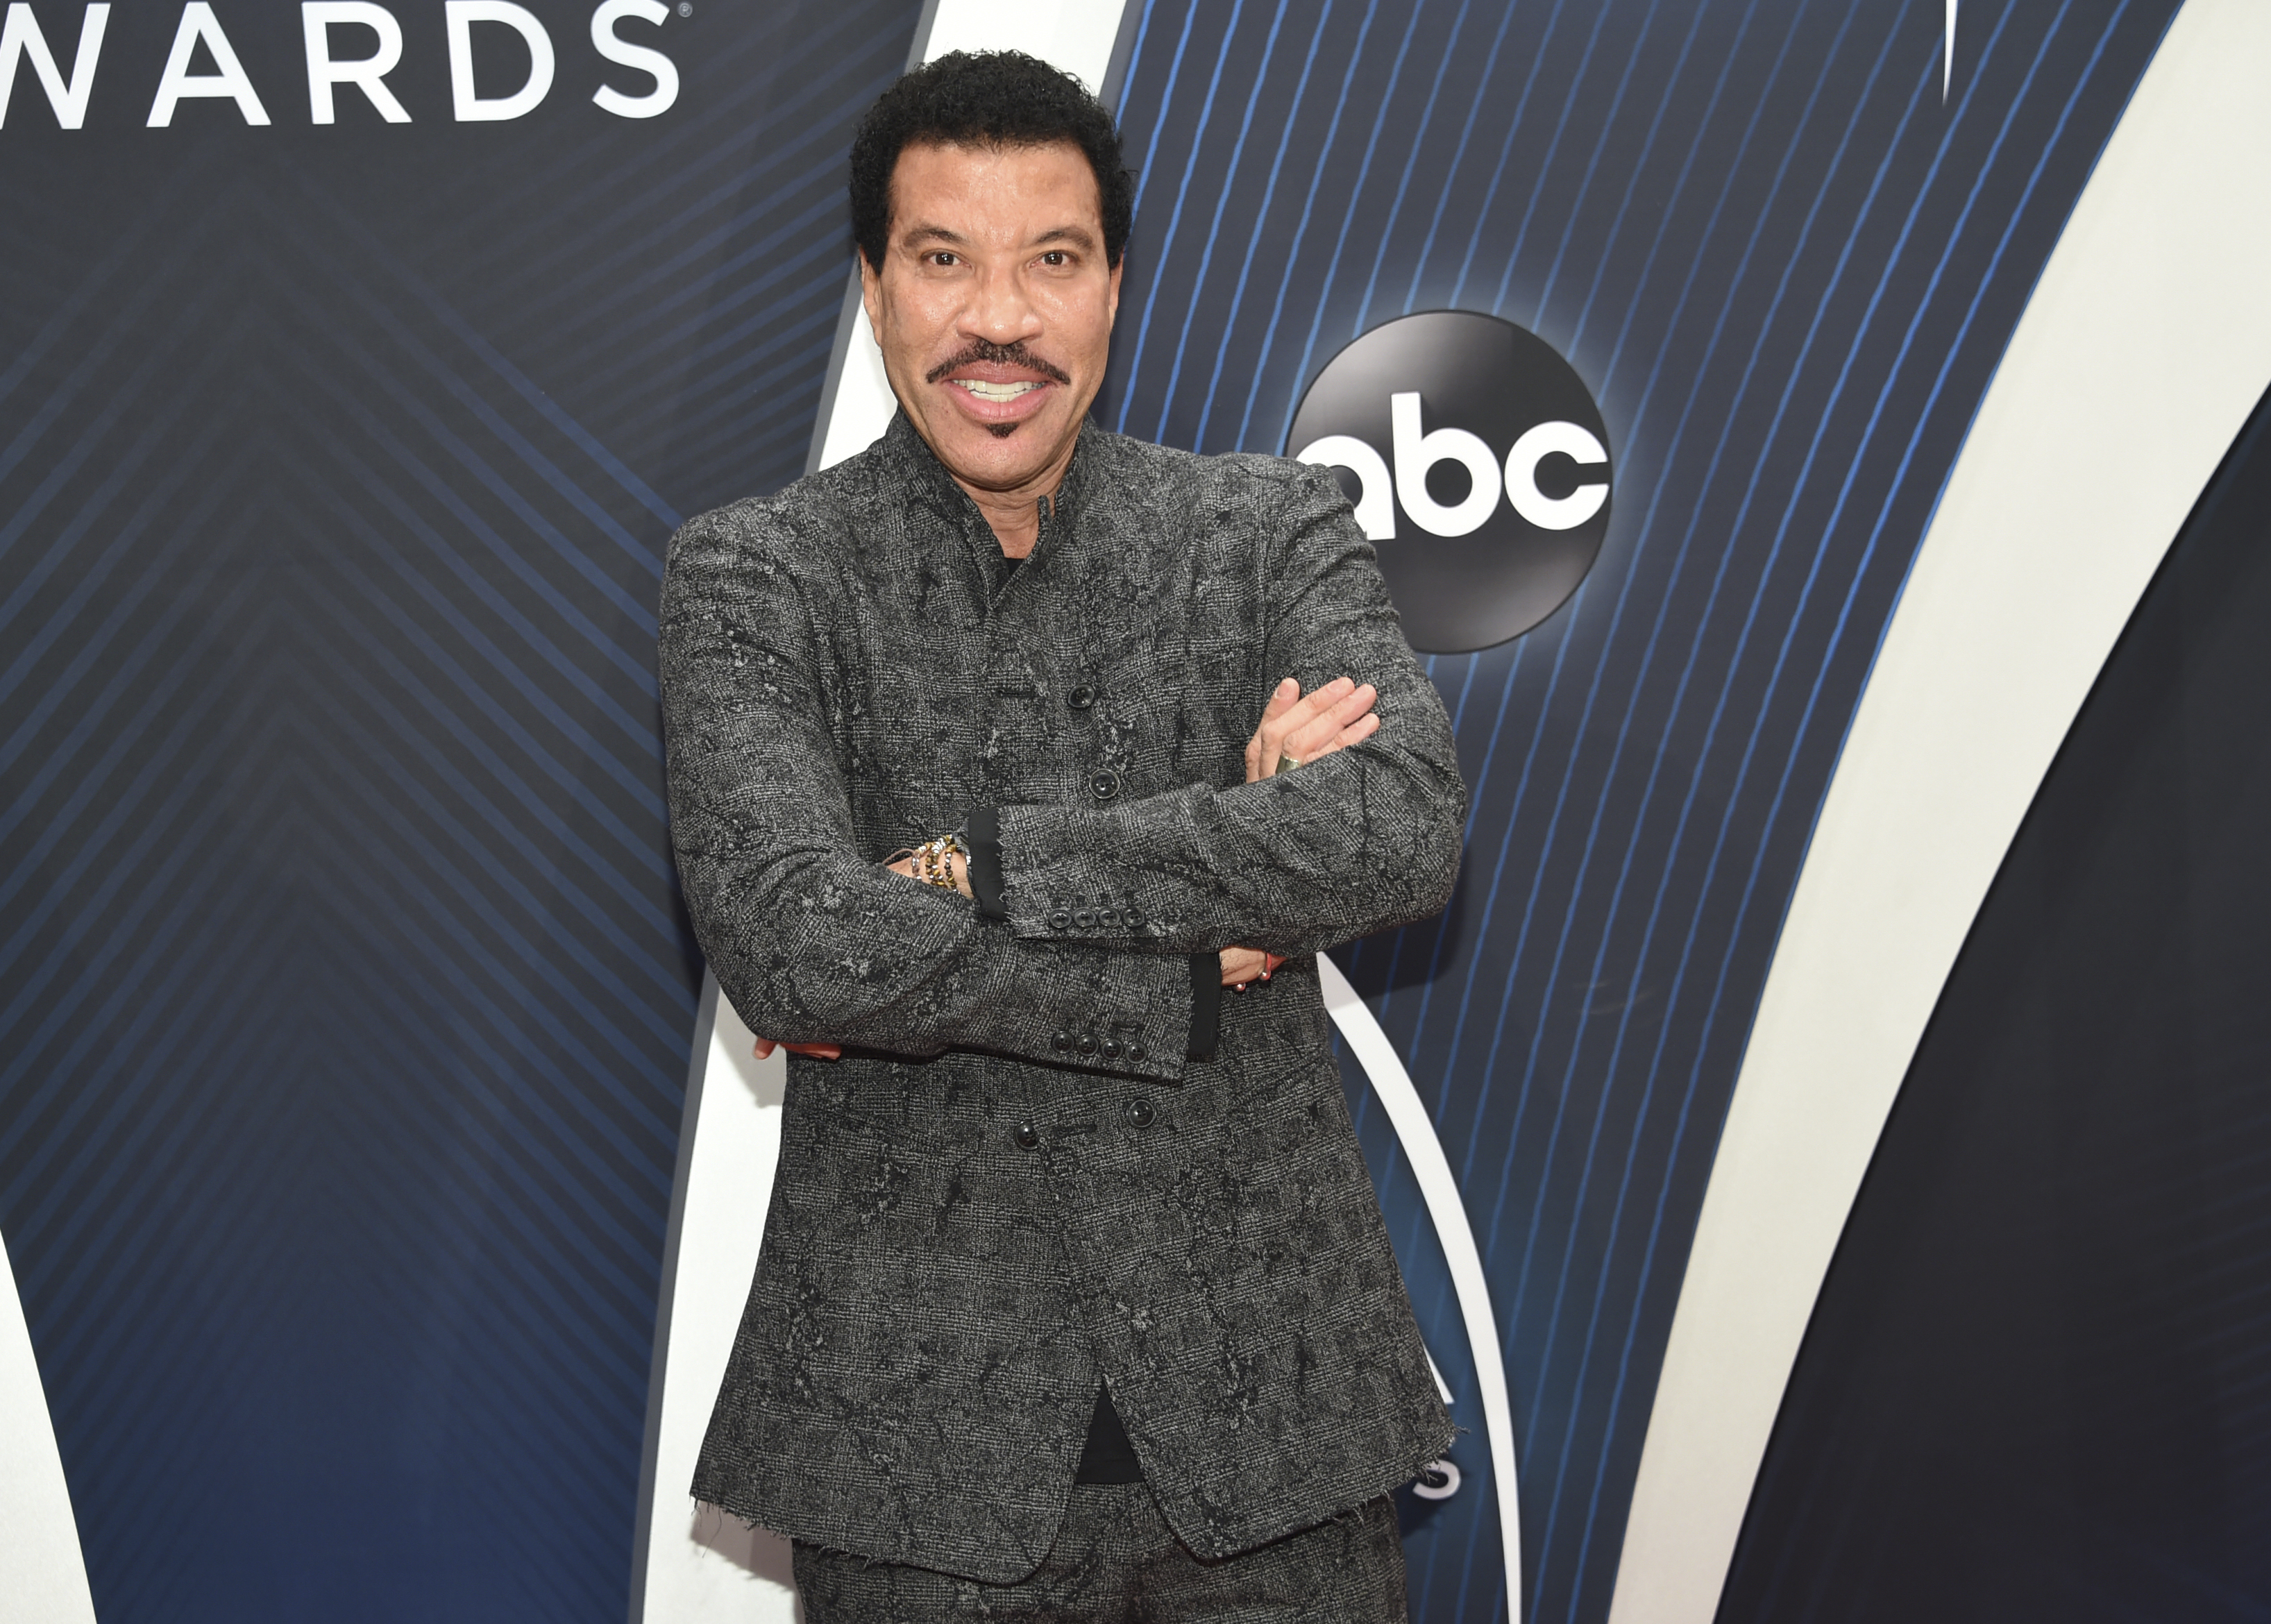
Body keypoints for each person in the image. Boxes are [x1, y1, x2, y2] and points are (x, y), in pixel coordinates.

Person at [659, 49, 1468, 1622]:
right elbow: (791, 936)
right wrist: (1183, 953)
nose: (1000, 319)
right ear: (877, 289)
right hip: (911, 1451)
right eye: (943, 260)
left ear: (1111, 289)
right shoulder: (757, 578)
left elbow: (1393, 829)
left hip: (1276, 1423)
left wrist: (975, 862)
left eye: (1053, 259)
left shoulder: (1264, 532)